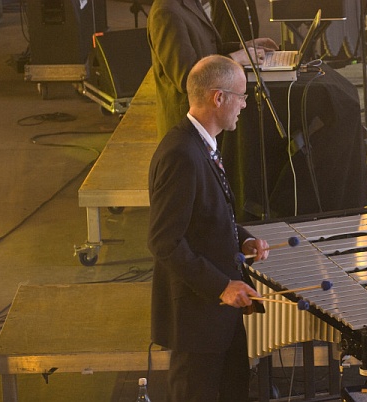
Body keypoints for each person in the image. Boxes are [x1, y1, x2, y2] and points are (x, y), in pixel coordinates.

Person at [147, 54, 271, 401]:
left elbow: (206, 217)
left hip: (219, 316)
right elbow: (165, 242)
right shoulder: (181, 154)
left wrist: (242, 240)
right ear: (219, 98)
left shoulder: (202, 144)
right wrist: (221, 286)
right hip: (197, 318)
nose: (244, 105)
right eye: (242, 97)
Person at [147, 0, 278, 139]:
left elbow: (210, 49)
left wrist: (242, 46)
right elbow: (186, 76)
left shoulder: (189, 3)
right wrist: (234, 59)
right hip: (186, 126)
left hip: (205, 120)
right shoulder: (166, 12)